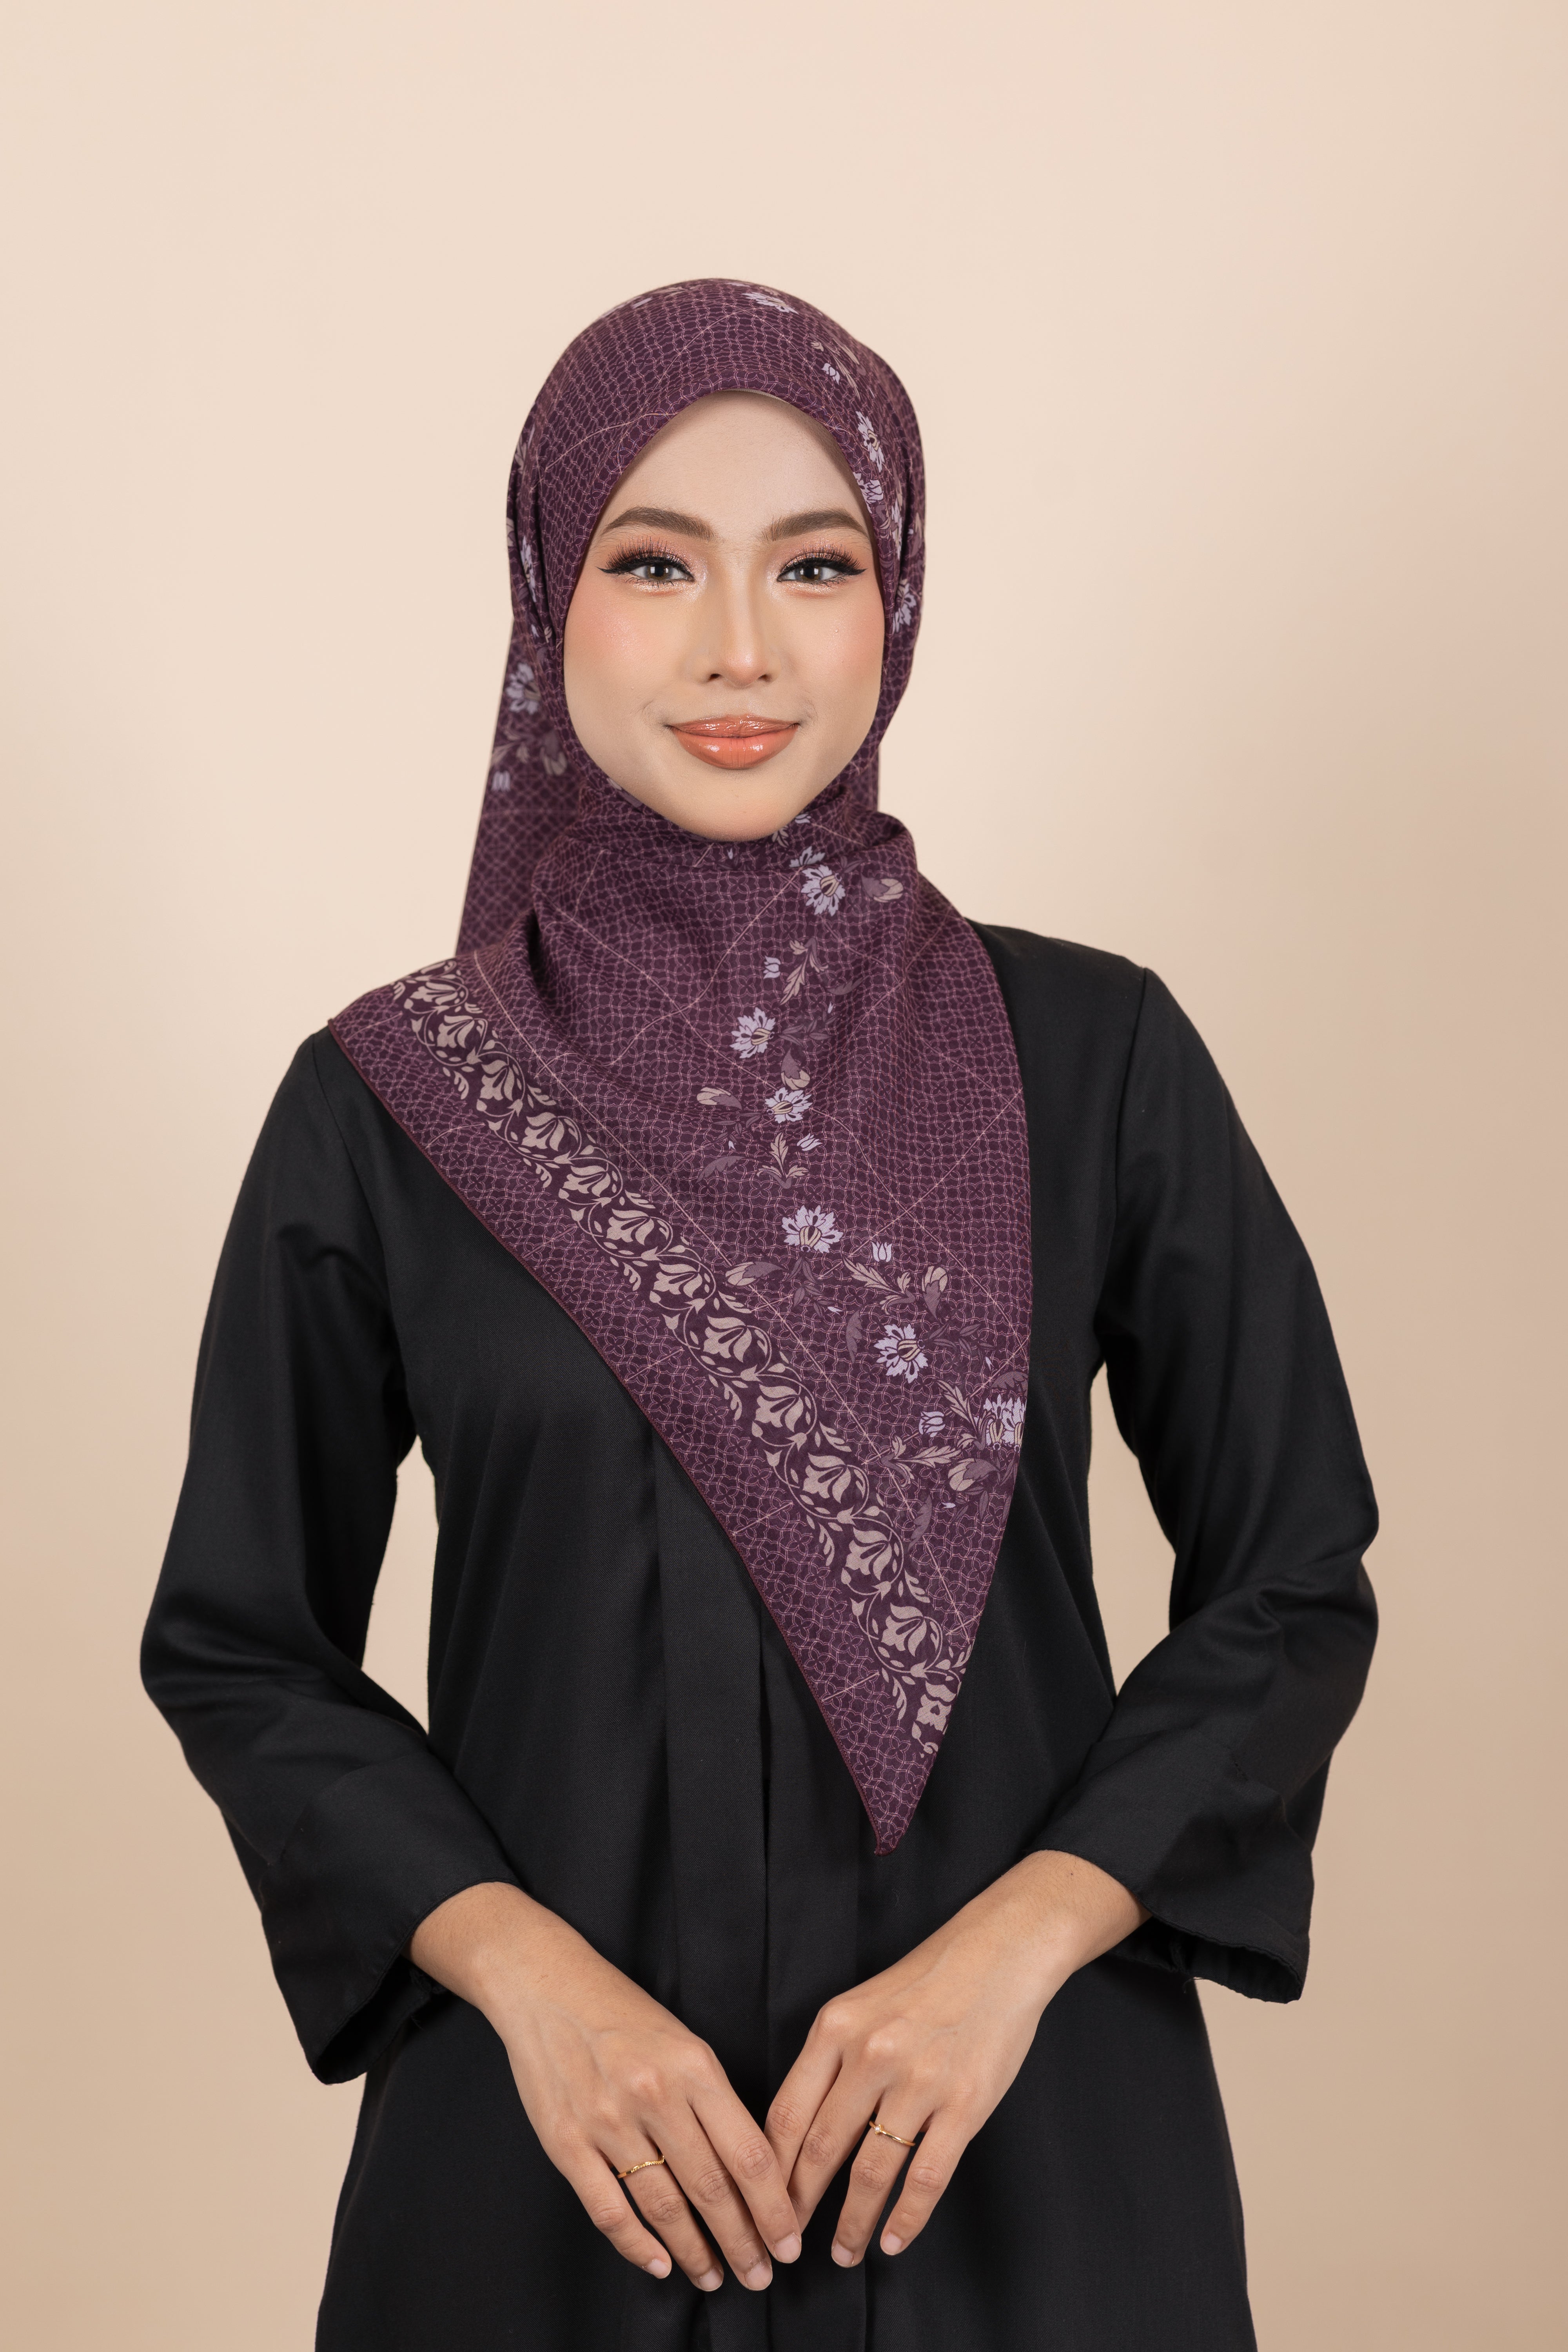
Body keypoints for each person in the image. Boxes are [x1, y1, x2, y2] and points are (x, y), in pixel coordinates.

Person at [143, 278, 1378, 2352]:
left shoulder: (1093, 1060)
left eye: (816, 565)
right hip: (560, 2188)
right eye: (655, 565)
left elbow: (1293, 1579)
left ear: (899, 601)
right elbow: (243, 1640)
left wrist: (1014, 1953)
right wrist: (529, 1982)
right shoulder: (393, 1106)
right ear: (546, 599)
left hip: (1022, 2162)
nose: (742, 647)